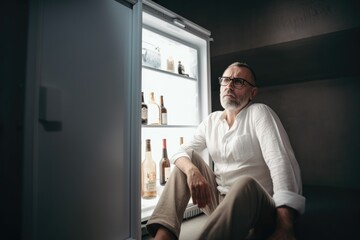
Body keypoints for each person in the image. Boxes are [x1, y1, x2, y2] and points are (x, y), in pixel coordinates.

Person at [146, 62, 305, 240]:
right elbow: (181, 151)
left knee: (245, 183)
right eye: (226, 80)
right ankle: (164, 236)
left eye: (238, 82)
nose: (229, 86)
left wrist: (285, 227)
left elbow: (280, 162)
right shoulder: (212, 120)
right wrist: (192, 171)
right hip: (220, 203)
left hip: (259, 208)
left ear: (253, 93)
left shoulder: (259, 113)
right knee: (186, 160)